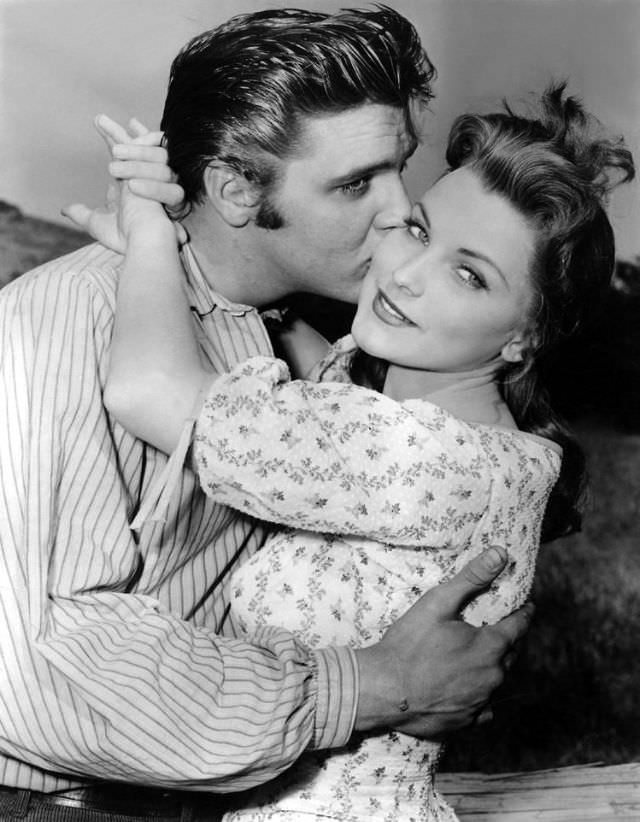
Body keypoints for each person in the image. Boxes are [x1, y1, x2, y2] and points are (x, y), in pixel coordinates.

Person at [0, 7, 530, 820]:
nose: (398, 213)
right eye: (356, 183)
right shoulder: (68, 319)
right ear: (237, 189)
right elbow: (36, 667)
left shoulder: (300, 334)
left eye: (400, 170)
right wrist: (380, 685)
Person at [99, 85, 634, 820]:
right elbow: (308, 358)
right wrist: (179, 255)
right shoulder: (456, 431)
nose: (408, 273)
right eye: (418, 230)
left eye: (469, 274)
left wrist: (147, 231)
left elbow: (145, 389)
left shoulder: (424, 458)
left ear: (523, 337)